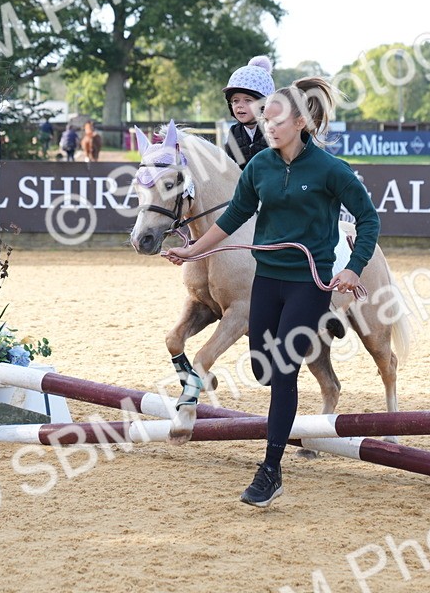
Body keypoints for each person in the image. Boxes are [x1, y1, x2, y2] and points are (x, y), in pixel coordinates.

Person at [162, 77, 379, 508]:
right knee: (264, 367)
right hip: (268, 279)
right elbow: (233, 218)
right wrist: (191, 252)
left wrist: (353, 268)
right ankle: (276, 425)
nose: (268, 127)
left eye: (276, 120)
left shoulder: (330, 170)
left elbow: (368, 219)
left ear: (301, 122)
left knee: (282, 372)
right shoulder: (259, 166)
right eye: (265, 120)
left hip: (309, 283)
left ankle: (270, 470)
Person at [222, 55, 275, 169]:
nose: (240, 105)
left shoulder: (274, 131)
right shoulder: (234, 132)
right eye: (235, 101)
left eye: (248, 100)